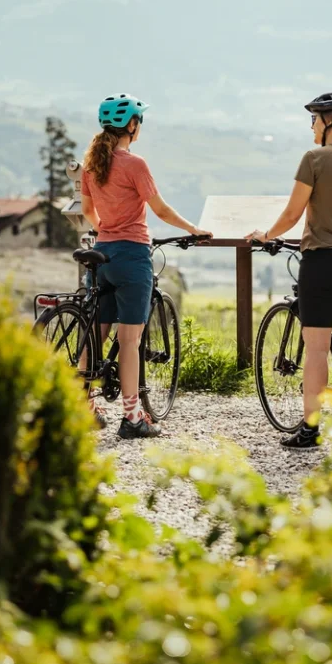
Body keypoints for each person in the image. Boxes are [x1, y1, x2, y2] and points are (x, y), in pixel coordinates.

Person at [246, 92, 332, 449]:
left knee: (317, 348)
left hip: (324, 261)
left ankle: (310, 428)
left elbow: (292, 214)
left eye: (314, 119)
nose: (311, 125)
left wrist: (266, 235)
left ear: (327, 122)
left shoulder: (314, 159)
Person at [80, 94, 211, 440]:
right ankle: (133, 416)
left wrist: (104, 229)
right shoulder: (134, 165)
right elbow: (161, 210)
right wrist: (193, 229)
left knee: (96, 332)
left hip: (102, 253)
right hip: (131, 255)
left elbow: (89, 212)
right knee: (130, 339)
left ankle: (84, 407)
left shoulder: (92, 165)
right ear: (133, 126)